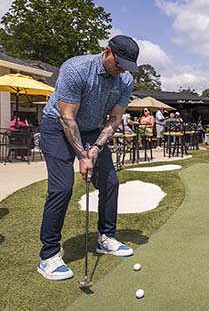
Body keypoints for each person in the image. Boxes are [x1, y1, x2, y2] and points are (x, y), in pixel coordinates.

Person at [37, 35, 139, 281]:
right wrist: (83, 155)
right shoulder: (77, 68)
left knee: (110, 183)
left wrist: (97, 147)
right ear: (107, 52)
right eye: (119, 63)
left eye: (127, 66)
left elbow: (115, 119)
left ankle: (106, 238)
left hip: (92, 129)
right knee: (61, 188)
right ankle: (48, 255)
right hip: (56, 126)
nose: (121, 70)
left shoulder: (125, 79)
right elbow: (67, 118)